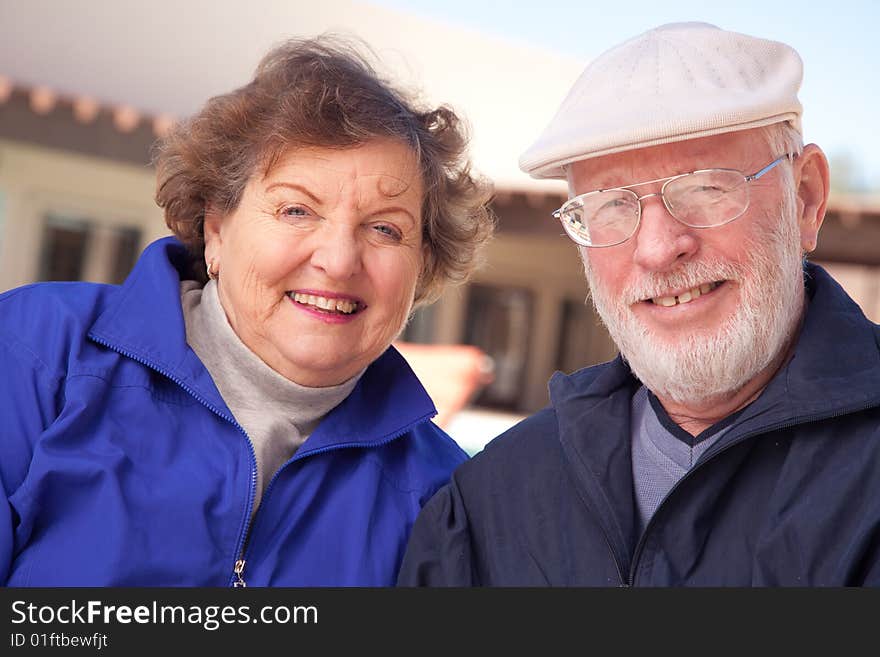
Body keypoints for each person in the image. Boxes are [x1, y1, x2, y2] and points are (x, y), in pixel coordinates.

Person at [398, 22, 880, 586]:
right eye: (609, 204)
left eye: (705, 186)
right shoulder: (490, 504)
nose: (656, 249)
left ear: (806, 198)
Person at [0, 36, 494, 586]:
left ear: (422, 265)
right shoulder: (34, 354)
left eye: (384, 228)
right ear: (216, 230)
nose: (337, 260)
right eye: (296, 210)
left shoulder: (446, 497)